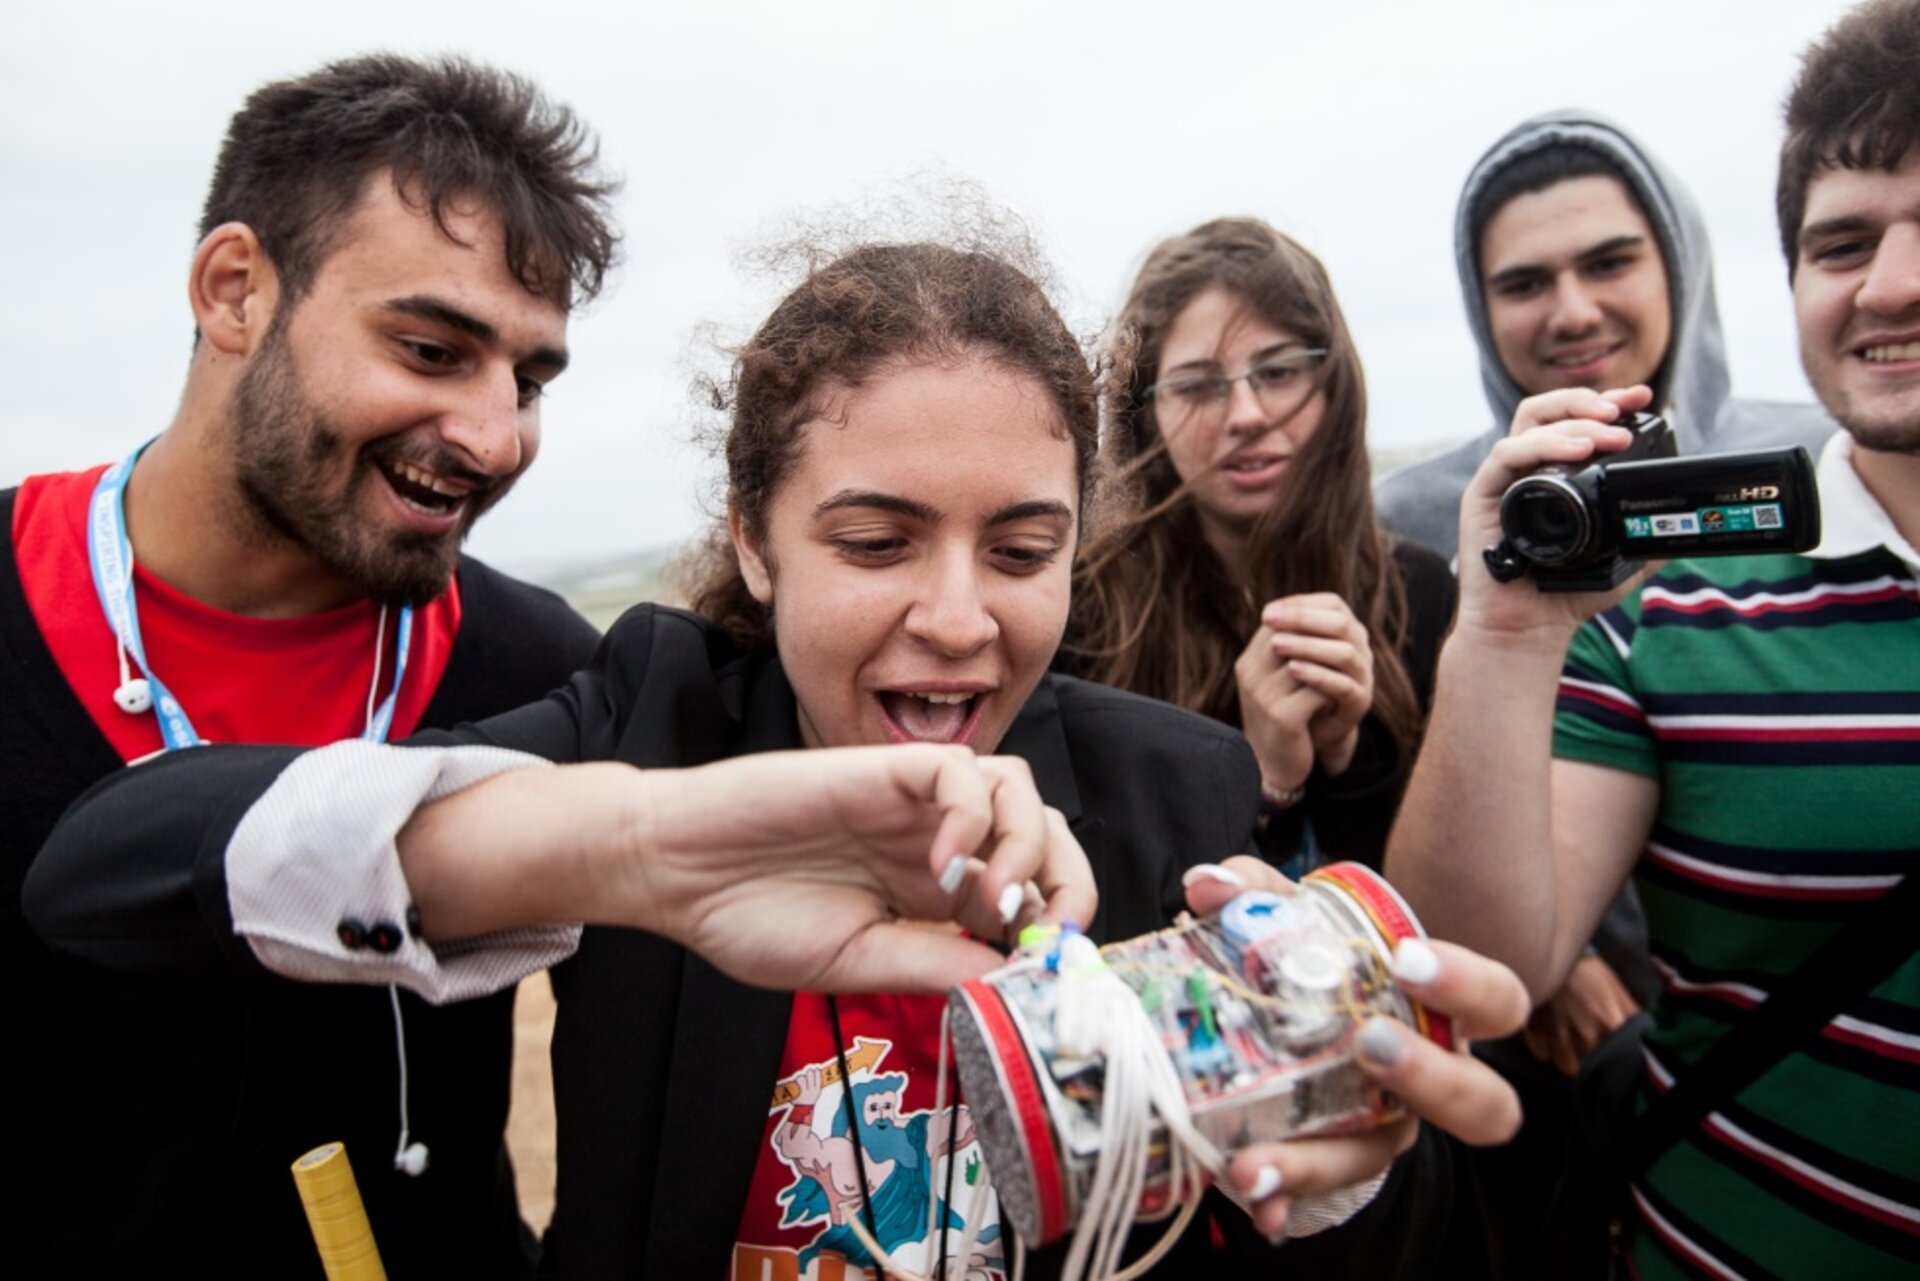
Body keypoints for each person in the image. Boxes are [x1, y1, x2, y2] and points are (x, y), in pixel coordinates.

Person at [31, 235, 1528, 1279]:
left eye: (1023, 548)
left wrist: (1345, 1166)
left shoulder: (1172, 797)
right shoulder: (650, 723)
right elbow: (108, 871)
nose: (957, 619)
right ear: (753, 538)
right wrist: (634, 850)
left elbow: (1377, 1241)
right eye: (874, 541)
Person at [0, 53, 617, 1278]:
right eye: (433, 349)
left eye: (529, 377)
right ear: (235, 291)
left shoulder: (543, 672)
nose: (495, 436)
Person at [1384, 3, 1920, 1276]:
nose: (1890, 282)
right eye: (1840, 242)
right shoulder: (1648, 605)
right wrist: (1505, 640)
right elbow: (1472, 956)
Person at [1069, 218, 1455, 874]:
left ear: (1333, 385)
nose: (1246, 414)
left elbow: (1422, 896)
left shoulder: (1419, 588)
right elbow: (1111, 888)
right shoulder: (1088, 610)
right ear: (1146, 411)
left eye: (1276, 372)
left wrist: (1348, 754)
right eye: (1196, 385)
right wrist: (1267, 780)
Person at [1374, 108, 1835, 565]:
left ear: (1680, 272)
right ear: (1481, 308)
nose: (1574, 316)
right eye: (1524, 285)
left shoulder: (1833, 461)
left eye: (1609, 264)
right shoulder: (1402, 526)